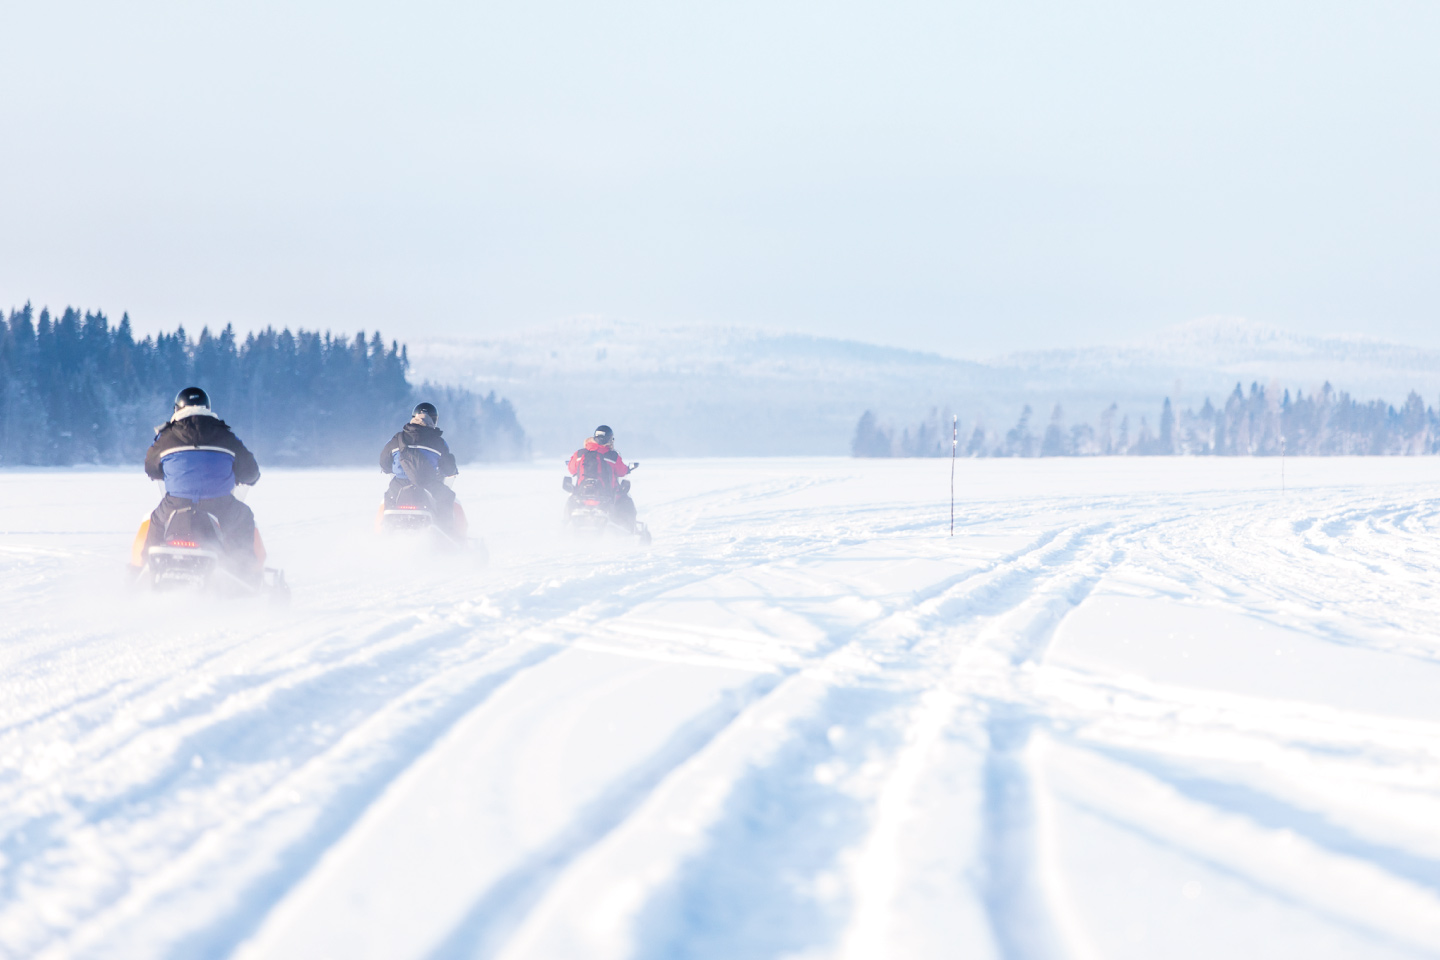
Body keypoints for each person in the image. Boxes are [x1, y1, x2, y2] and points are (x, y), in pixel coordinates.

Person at [136, 386, 264, 579]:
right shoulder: (226, 436)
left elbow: (150, 468)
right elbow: (251, 472)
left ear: (177, 409)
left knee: (156, 520)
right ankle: (244, 573)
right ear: (207, 408)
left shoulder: (166, 437)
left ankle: (142, 571)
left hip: (176, 503)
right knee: (244, 516)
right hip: (219, 504)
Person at [379, 401, 465, 537]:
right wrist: (449, 472)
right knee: (447, 497)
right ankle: (448, 534)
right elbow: (449, 468)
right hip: (428, 484)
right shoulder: (438, 442)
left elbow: (384, 462)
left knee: (388, 500)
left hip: (399, 485)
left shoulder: (397, 438)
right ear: (434, 421)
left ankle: (383, 532)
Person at [567, 424, 637, 529]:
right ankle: (631, 529)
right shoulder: (612, 456)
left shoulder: (579, 454)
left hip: (581, 494)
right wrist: (628, 469)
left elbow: (571, 469)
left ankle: (564, 525)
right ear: (610, 440)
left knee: (570, 499)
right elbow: (622, 471)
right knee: (626, 500)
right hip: (606, 495)